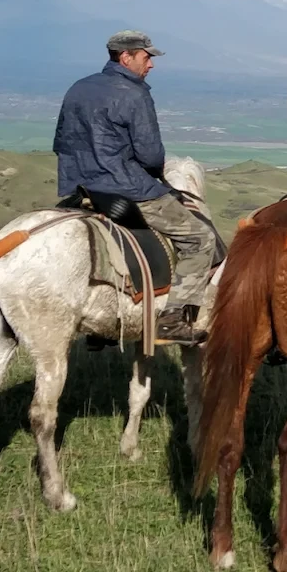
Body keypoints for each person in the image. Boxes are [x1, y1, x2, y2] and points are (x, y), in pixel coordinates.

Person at [54, 30, 219, 342]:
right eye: (147, 57)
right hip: (126, 189)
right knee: (200, 238)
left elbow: (62, 141)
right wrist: (155, 176)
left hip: (81, 189)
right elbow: (151, 154)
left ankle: (102, 322)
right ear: (125, 57)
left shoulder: (79, 88)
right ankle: (171, 319)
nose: (151, 64)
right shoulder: (135, 93)